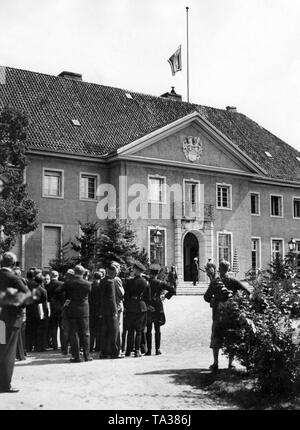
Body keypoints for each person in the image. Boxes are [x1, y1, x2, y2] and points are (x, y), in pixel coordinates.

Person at [203, 260, 251, 370]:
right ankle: (231, 363)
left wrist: (213, 300)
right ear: (228, 269)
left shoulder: (215, 281)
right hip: (231, 314)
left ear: (219, 269)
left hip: (217, 315)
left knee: (216, 338)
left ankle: (215, 363)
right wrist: (237, 301)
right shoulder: (234, 281)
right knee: (231, 338)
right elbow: (248, 292)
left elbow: (206, 297)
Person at [0, 252, 31, 393]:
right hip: (10, 318)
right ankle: (5, 384)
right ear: (13, 263)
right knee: (8, 352)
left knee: (1, 349)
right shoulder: (14, 278)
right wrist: (17, 305)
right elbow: (28, 297)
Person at [64, 265, 92, 362]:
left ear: (74, 272)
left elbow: (61, 293)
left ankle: (76, 356)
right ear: (83, 272)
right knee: (85, 333)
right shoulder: (87, 284)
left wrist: (67, 301)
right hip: (84, 310)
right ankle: (87, 356)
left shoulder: (68, 283)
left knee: (74, 334)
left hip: (72, 310)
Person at [146, 264, 175, 356]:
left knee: (148, 329)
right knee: (157, 329)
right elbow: (172, 290)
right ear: (158, 273)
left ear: (150, 272)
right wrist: (165, 296)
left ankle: (149, 350)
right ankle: (158, 349)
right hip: (158, 306)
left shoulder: (146, 282)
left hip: (148, 306)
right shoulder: (160, 283)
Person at [124, 261, 150, 358]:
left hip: (131, 306)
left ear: (136, 270)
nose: (132, 270)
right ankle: (137, 351)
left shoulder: (130, 282)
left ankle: (128, 351)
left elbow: (126, 296)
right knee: (139, 330)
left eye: (134, 268)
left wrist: (127, 304)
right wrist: (145, 305)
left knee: (130, 330)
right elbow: (148, 297)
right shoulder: (146, 282)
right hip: (141, 307)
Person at [99, 264, 122, 359]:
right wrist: (115, 311)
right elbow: (112, 299)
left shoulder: (102, 281)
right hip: (111, 311)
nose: (116, 274)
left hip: (103, 310)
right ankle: (115, 352)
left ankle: (104, 352)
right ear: (112, 273)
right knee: (114, 332)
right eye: (115, 273)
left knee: (105, 332)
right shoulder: (110, 282)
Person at [111, 261, 125, 356]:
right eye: (119, 267)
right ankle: (118, 349)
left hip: (110, 307)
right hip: (118, 306)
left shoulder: (106, 278)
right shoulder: (117, 279)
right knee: (119, 328)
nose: (120, 269)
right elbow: (122, 293)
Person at [48, 271, 64, 350]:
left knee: (53, 327)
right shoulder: (62, 284)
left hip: (52, 308)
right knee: (62, 327)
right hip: (61, 308)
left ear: (51, 276)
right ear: (57, 276)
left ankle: (54, 345)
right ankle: (63, 344)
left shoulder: (48, 285)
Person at [89, 272, 102, 353]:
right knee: (99, 331)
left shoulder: (90, 286)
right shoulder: (101, 287)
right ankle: (98, 347)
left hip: (91, 310)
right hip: (99, 311)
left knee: (91, 330)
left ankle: (90, 347)